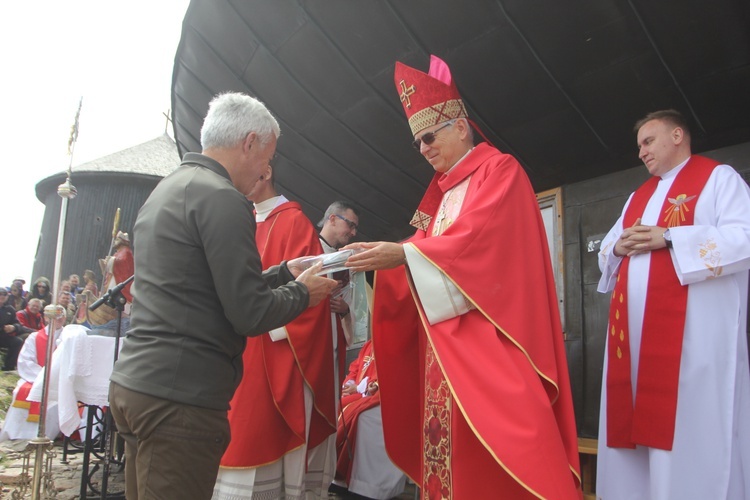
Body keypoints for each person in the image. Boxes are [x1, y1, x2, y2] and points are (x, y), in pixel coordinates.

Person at [345, 55, 581, 498]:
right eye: (417, 142)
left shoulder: (499, 171)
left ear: (460, 125)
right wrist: (384, 261)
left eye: (429, 136)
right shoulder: (439, 196)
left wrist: (402, 255)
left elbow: (479, 247)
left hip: (491, 345)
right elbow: (418, 257)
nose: (424, 149)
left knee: (511, 456)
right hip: (442, 352)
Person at [109, 91, 336, 500]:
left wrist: (284, 271)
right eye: (267, 156)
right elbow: (248, 313)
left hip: (136, 383)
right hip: (180, 398)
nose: (266, 170)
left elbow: (201, 287)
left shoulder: (166, 189)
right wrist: (303, 293)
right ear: (249, 142)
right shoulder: (224, 198)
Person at [596, 109, 750, 499]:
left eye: (648, 141)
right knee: (634, 431)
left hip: (692, 341)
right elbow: (607, 251)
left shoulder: (718, 179)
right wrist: (618, 246)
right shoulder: (637, 197)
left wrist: (671, 237)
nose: (641, 153)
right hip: (632, 344)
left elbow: (744, 237)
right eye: (639, 146)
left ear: (677, 134)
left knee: (688, 428)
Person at [214, 166, 338, 499]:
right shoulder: (239, 220)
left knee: (254, 434)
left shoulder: (294, 221)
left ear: (264, 172)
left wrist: (261, 318)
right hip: (234, 349)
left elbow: (309, 297)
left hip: (271, 352)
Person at [330, 339, 406, 499]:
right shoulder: (370, 344)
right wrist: (349, 383)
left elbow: (389, 375)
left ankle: (365, 485)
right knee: (334, 407)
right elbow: (355, 367)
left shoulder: (396, 341)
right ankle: (339, 478)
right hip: (360, 394)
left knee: (361, 417)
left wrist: (360, 388)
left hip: (382, 395)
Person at [0, 314, 64, 441]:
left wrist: (53, 378)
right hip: (34, 377)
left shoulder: (68, 338)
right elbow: (25, 361)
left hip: (59, 380)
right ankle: (18, 433)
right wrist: (42, 377)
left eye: (61, 316)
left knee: (57, 396)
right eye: (55, 315)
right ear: (46, 318)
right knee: (22, 391)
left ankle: (49, 434)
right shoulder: (34, 337)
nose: (58, 318)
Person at [0, 288, 25, 371]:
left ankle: (8, 367)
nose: (2, 296)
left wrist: (13, 327)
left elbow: (18, 324)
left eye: (5, 294)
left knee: (17, 341)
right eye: (0, 294)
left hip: (3, 336)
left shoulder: (10, 309)